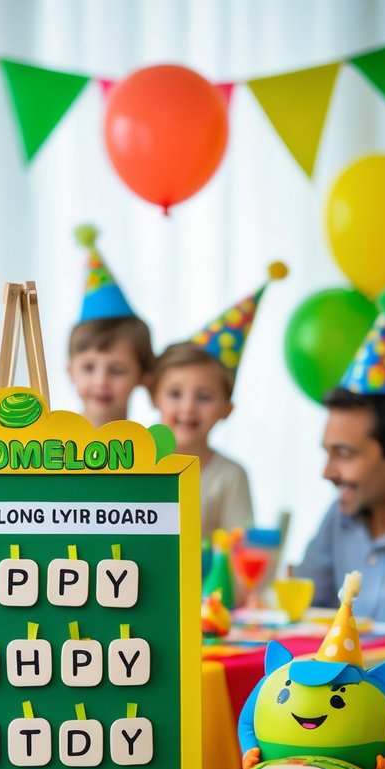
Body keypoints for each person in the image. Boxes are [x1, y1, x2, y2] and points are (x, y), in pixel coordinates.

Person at [297, 292, 385, 718]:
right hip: (325, 718)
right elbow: (303, 616)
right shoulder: (339, 518)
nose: (327, 472)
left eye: (345, 454)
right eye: (327, 451)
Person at [152, 264, 288, 539]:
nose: (188, 407)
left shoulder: (230, 477)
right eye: (175, 394)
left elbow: (240, 553)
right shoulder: (131, 459)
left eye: (204, 397)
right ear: (155, 396)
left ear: (227, 410)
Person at [67, 225, 155, 429]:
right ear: (70, 372)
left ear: (144, 376)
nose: (101, 381)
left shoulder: (148, 452)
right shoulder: (51, 448)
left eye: (117, 370)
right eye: (88, 368)